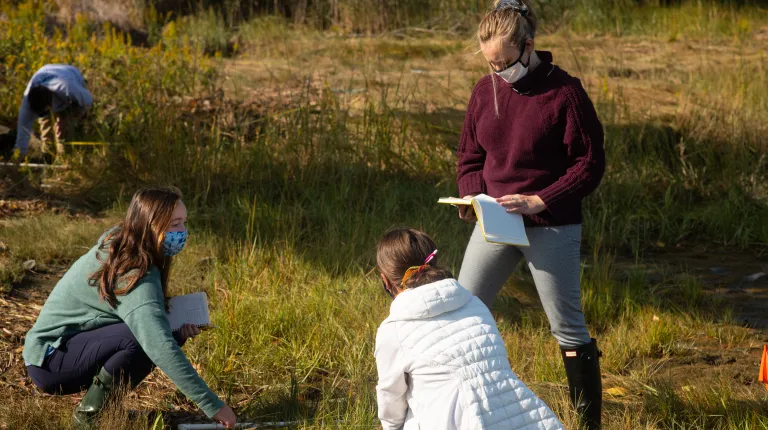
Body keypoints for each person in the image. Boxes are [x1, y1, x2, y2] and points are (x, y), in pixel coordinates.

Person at [455, 1, 606, 428]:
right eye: (490, 64)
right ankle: (473, 412)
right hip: (495, 221)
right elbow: (469, 157)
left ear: (528, 46)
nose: (498, 71)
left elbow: (589, 163)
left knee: (568, 327)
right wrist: (472, 199)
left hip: (550, 222)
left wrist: (542, 200)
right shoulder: (485, 91)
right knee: (465, 313)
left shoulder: (566, 92)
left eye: (504, 62)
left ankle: (586, 424)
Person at [23, 187, 237, 429]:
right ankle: (89, 418)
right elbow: (158, 345)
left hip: (68, 346)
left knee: (150, 334)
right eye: (175, 224)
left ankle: (105, 408)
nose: (183, 232)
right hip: (51, 360)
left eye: (184, 223)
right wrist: (214, 406)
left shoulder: (127, 242)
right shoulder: (133, 272)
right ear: (151, 225)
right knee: (143, 338)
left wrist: (174, 333)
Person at [374, 228, 564, 430]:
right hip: (516, 414)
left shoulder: (393, 330)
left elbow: (391, 400)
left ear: (385, 280)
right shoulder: (474, 303)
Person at [15, 64, 93, 157]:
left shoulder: (69, 89)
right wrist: (18, 158)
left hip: (70, 79)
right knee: (47, 132)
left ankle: (65, 159)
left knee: (62, 133)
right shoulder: (27, 105)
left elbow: (88, 101)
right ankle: (48, 157)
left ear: (50, 104)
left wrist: (67, 119)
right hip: (48, 73)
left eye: (45, 111)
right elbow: (22, 135)